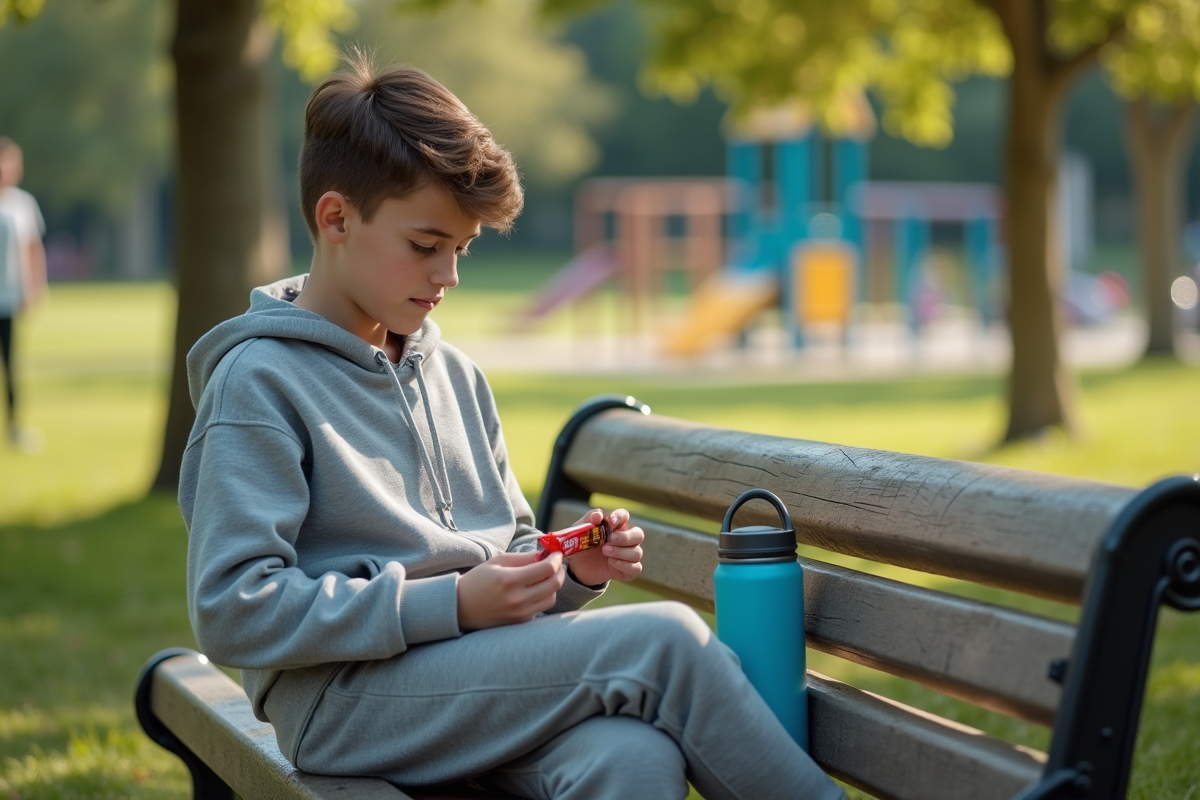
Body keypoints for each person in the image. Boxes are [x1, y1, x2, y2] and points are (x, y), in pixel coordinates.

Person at [179, 53, 845, 800]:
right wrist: (451, 603)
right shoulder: (259, 382)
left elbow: (505, 553)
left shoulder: (454, 375)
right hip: (345, 703)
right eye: (425, 246)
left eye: (460, 250)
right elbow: (234, 609)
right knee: (665, 642)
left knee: (628, 756)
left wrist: (568, 569)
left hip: (470, 680)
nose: (448, 276)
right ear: (336, 219)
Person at [0, 138, 46, 453]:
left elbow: (32, 248)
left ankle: (14, 427)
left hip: (8, 298)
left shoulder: (22, 204)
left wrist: (35, 288)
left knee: (10, 366)